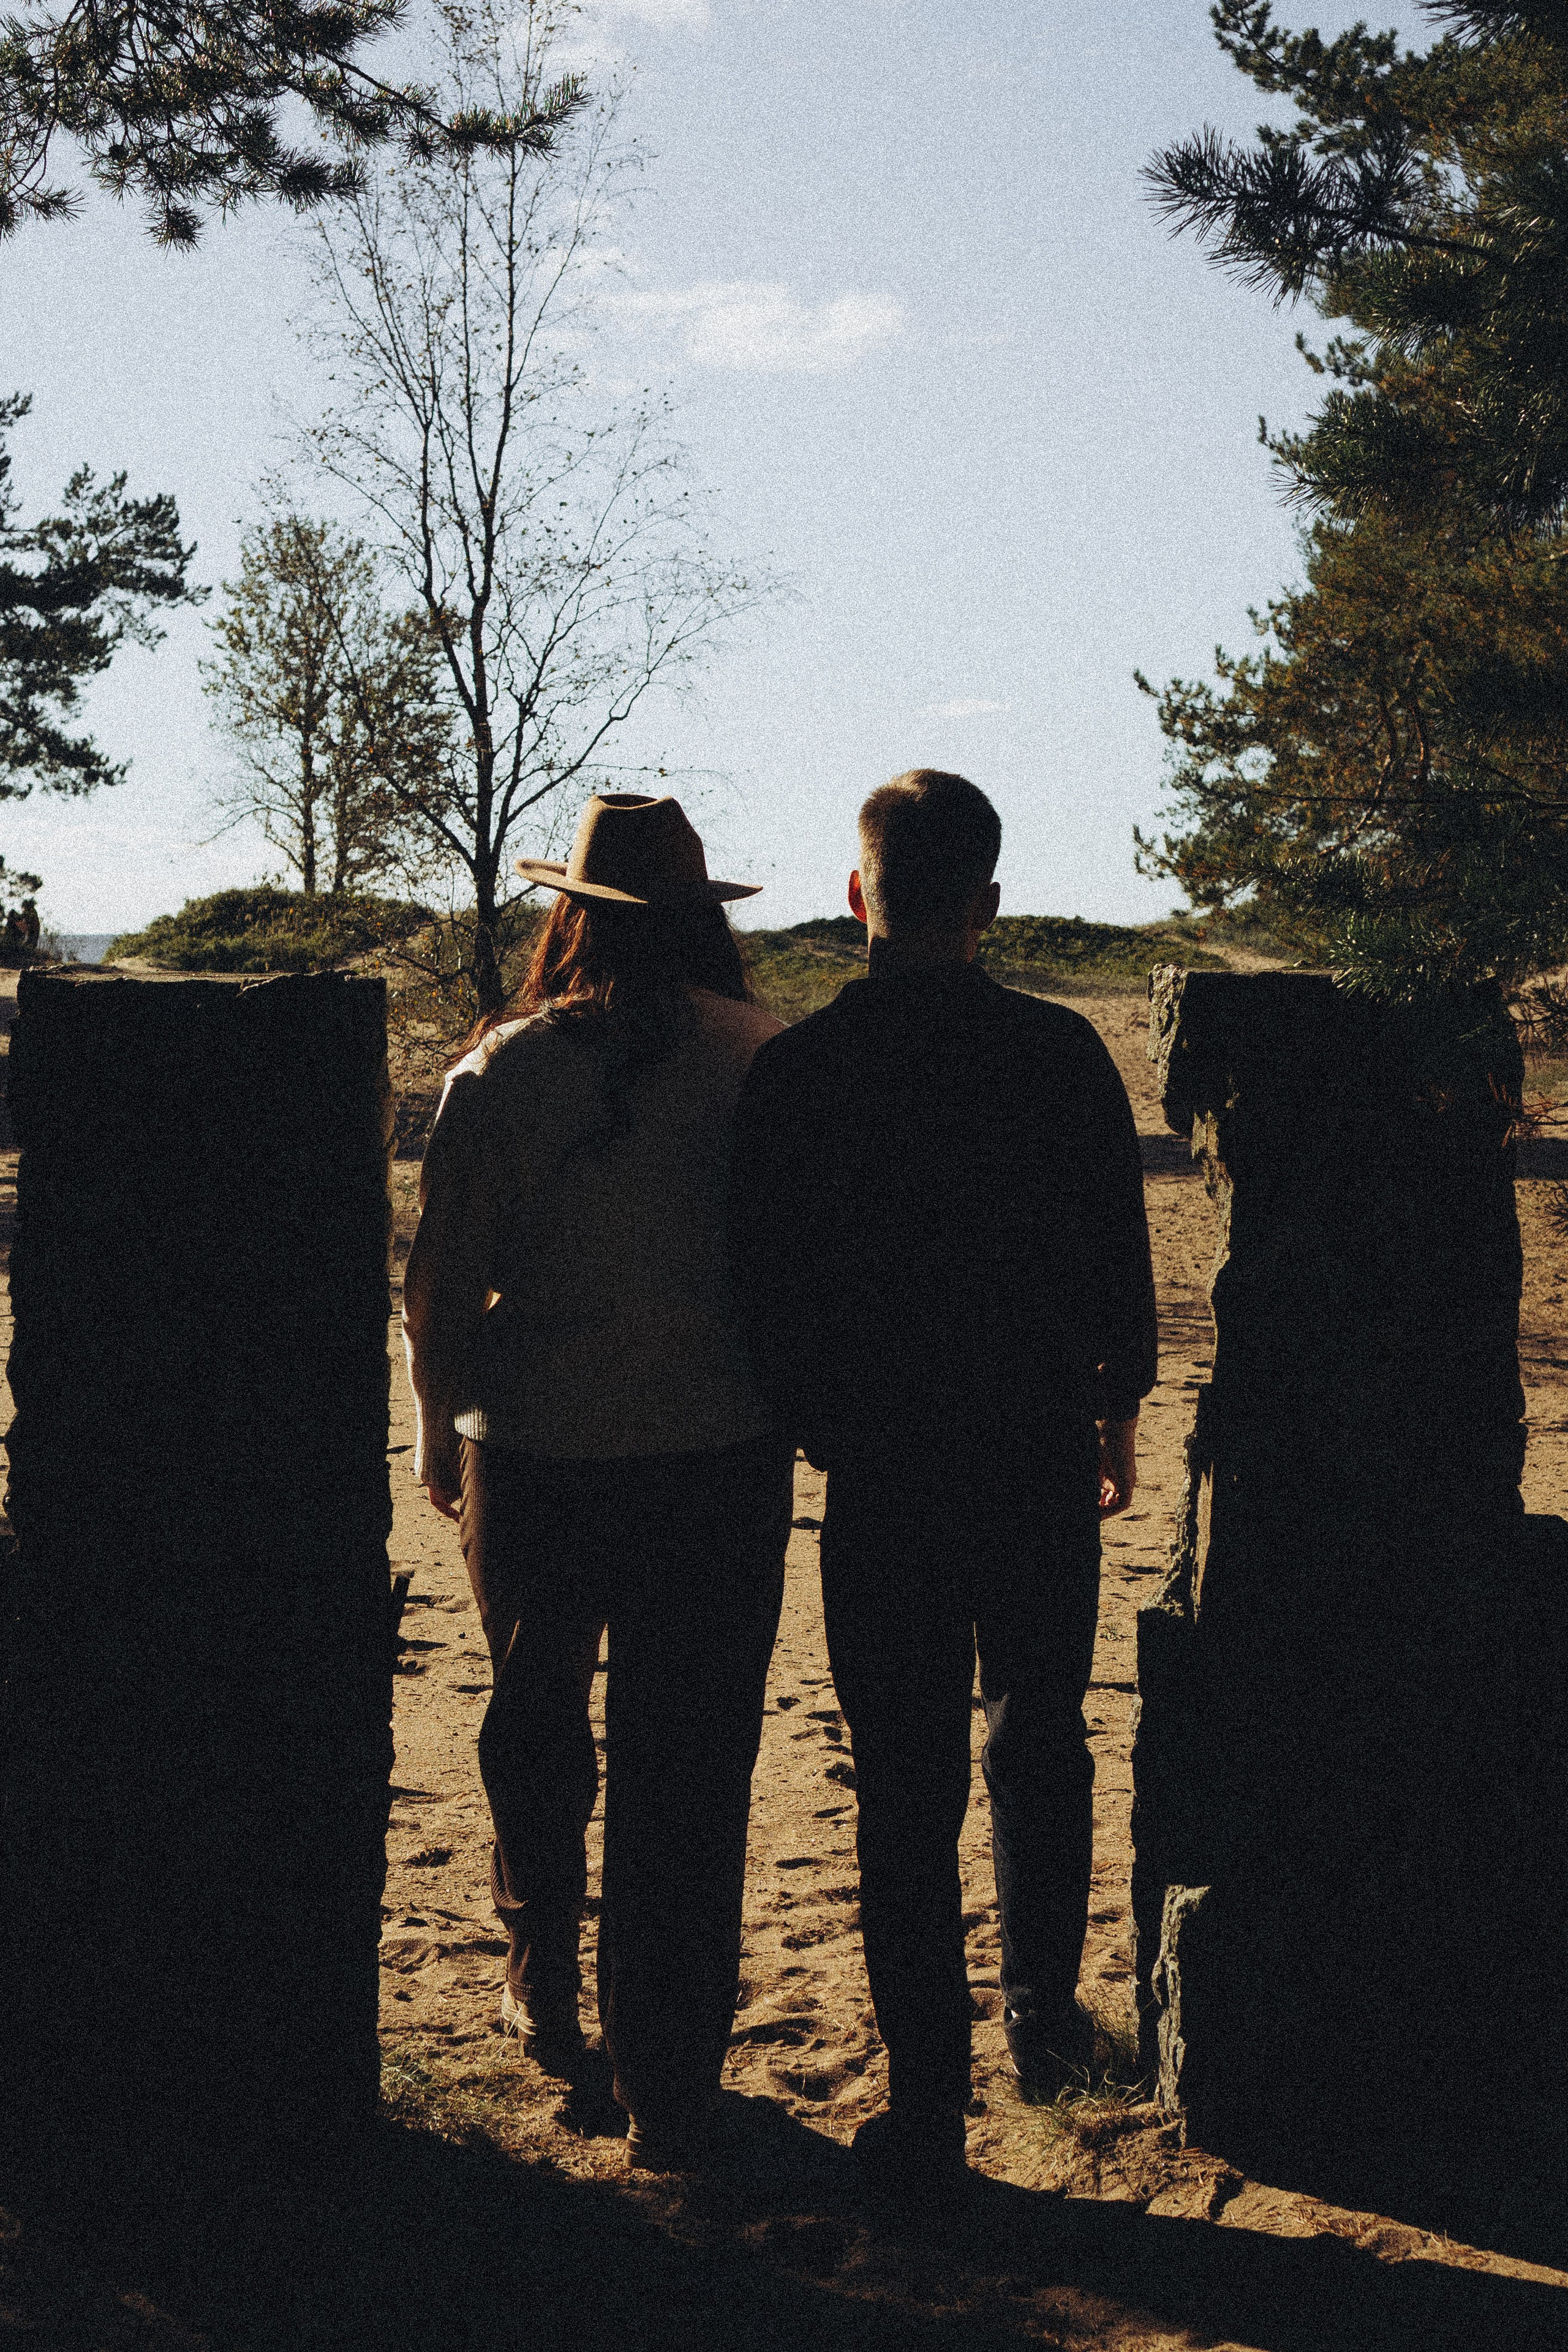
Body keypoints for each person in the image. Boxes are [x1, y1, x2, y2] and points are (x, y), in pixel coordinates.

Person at [728, 769, 1156, 2203]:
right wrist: (1117, 1415)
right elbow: (1116, 1254)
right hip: (1033, 1449)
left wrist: (820, 1432)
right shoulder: (1058, 1055)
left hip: (886, 1472)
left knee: (900, 1777)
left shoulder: (798, 1071)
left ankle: (926, 2091)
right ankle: (1041, 2020)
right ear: (987, 903)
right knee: (1041, 1732)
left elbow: (765, 1293)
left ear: (858, 894)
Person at [403, 793, 792, 2171]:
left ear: (566, 910)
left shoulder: (502, 1068)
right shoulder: (765, 1059)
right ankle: (668, 2065)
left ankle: (540, 1976)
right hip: (720, 1448)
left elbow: (442, 1276)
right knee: (690, 1757)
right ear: (701, 914)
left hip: (541, 1446)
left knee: (534, 1725)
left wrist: (433, 1430)